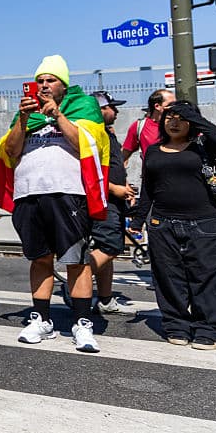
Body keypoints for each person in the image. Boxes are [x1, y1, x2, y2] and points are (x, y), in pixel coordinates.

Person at [0, 55, 109, 353]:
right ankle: (41, 318)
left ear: (63, 85)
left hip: (68, 192)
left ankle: (81, 323)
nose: (43, 85)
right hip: (29, 193)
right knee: (40, 258)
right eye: (40, 80)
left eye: (50, 80)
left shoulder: (84, 107)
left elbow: (88, 144)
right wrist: (25, 119)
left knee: (76, 260)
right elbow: (11, 150)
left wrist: (56, 115)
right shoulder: (25, 113)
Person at [129, 101, 216, 350]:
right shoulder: (153, 151)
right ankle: (177, 325)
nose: (173, 122)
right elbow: (148, 190)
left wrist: (189, 113)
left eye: (180, 118)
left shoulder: (204, 146)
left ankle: (209, 329)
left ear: (192, 122)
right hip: (162, 225)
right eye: (169, 117)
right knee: (168, 279)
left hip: (205, 225)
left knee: (209, 278)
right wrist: (138, 220)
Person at [88, 91, 135, 316]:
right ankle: (77, 282)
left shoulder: (108, 133)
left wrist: (124, 187)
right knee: (110, 246)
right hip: (104, 200)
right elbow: (89, 170)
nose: (116, 111)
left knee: (107, 248)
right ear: (99, 110)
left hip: (114, 199)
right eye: (111, 107)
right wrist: (114, 188)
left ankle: (105, 299)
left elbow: (115, 164)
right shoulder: (93, 133)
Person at [122, 88, 175, 164]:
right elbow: (124, 154)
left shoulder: (181, 125)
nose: (174, 108)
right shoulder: (139, 126)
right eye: (170, 105)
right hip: (152, 175)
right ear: (157, 106)